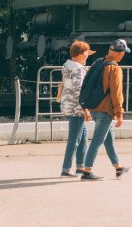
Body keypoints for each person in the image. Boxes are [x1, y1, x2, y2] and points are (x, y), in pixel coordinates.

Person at [81, 39, 132, 180]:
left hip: (93, 107)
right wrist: (119, 113)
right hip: (105, 110)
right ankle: (87, 171)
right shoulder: (114, 68)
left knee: (108, 139)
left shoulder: (99, 62)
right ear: (120, 53)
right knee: (97, 141)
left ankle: (118, 167)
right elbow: (116, 94)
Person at [57, 40, 94, 176]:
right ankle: (66, 169)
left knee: (82, 137)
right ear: (82, 54)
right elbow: (79, 91)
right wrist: (86, 109)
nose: (87, 56)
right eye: (86, 54)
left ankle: (80, 166)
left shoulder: (68, 66)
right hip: (76, 108)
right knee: (74, 140)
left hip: (69, 105)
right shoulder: (78, 69)